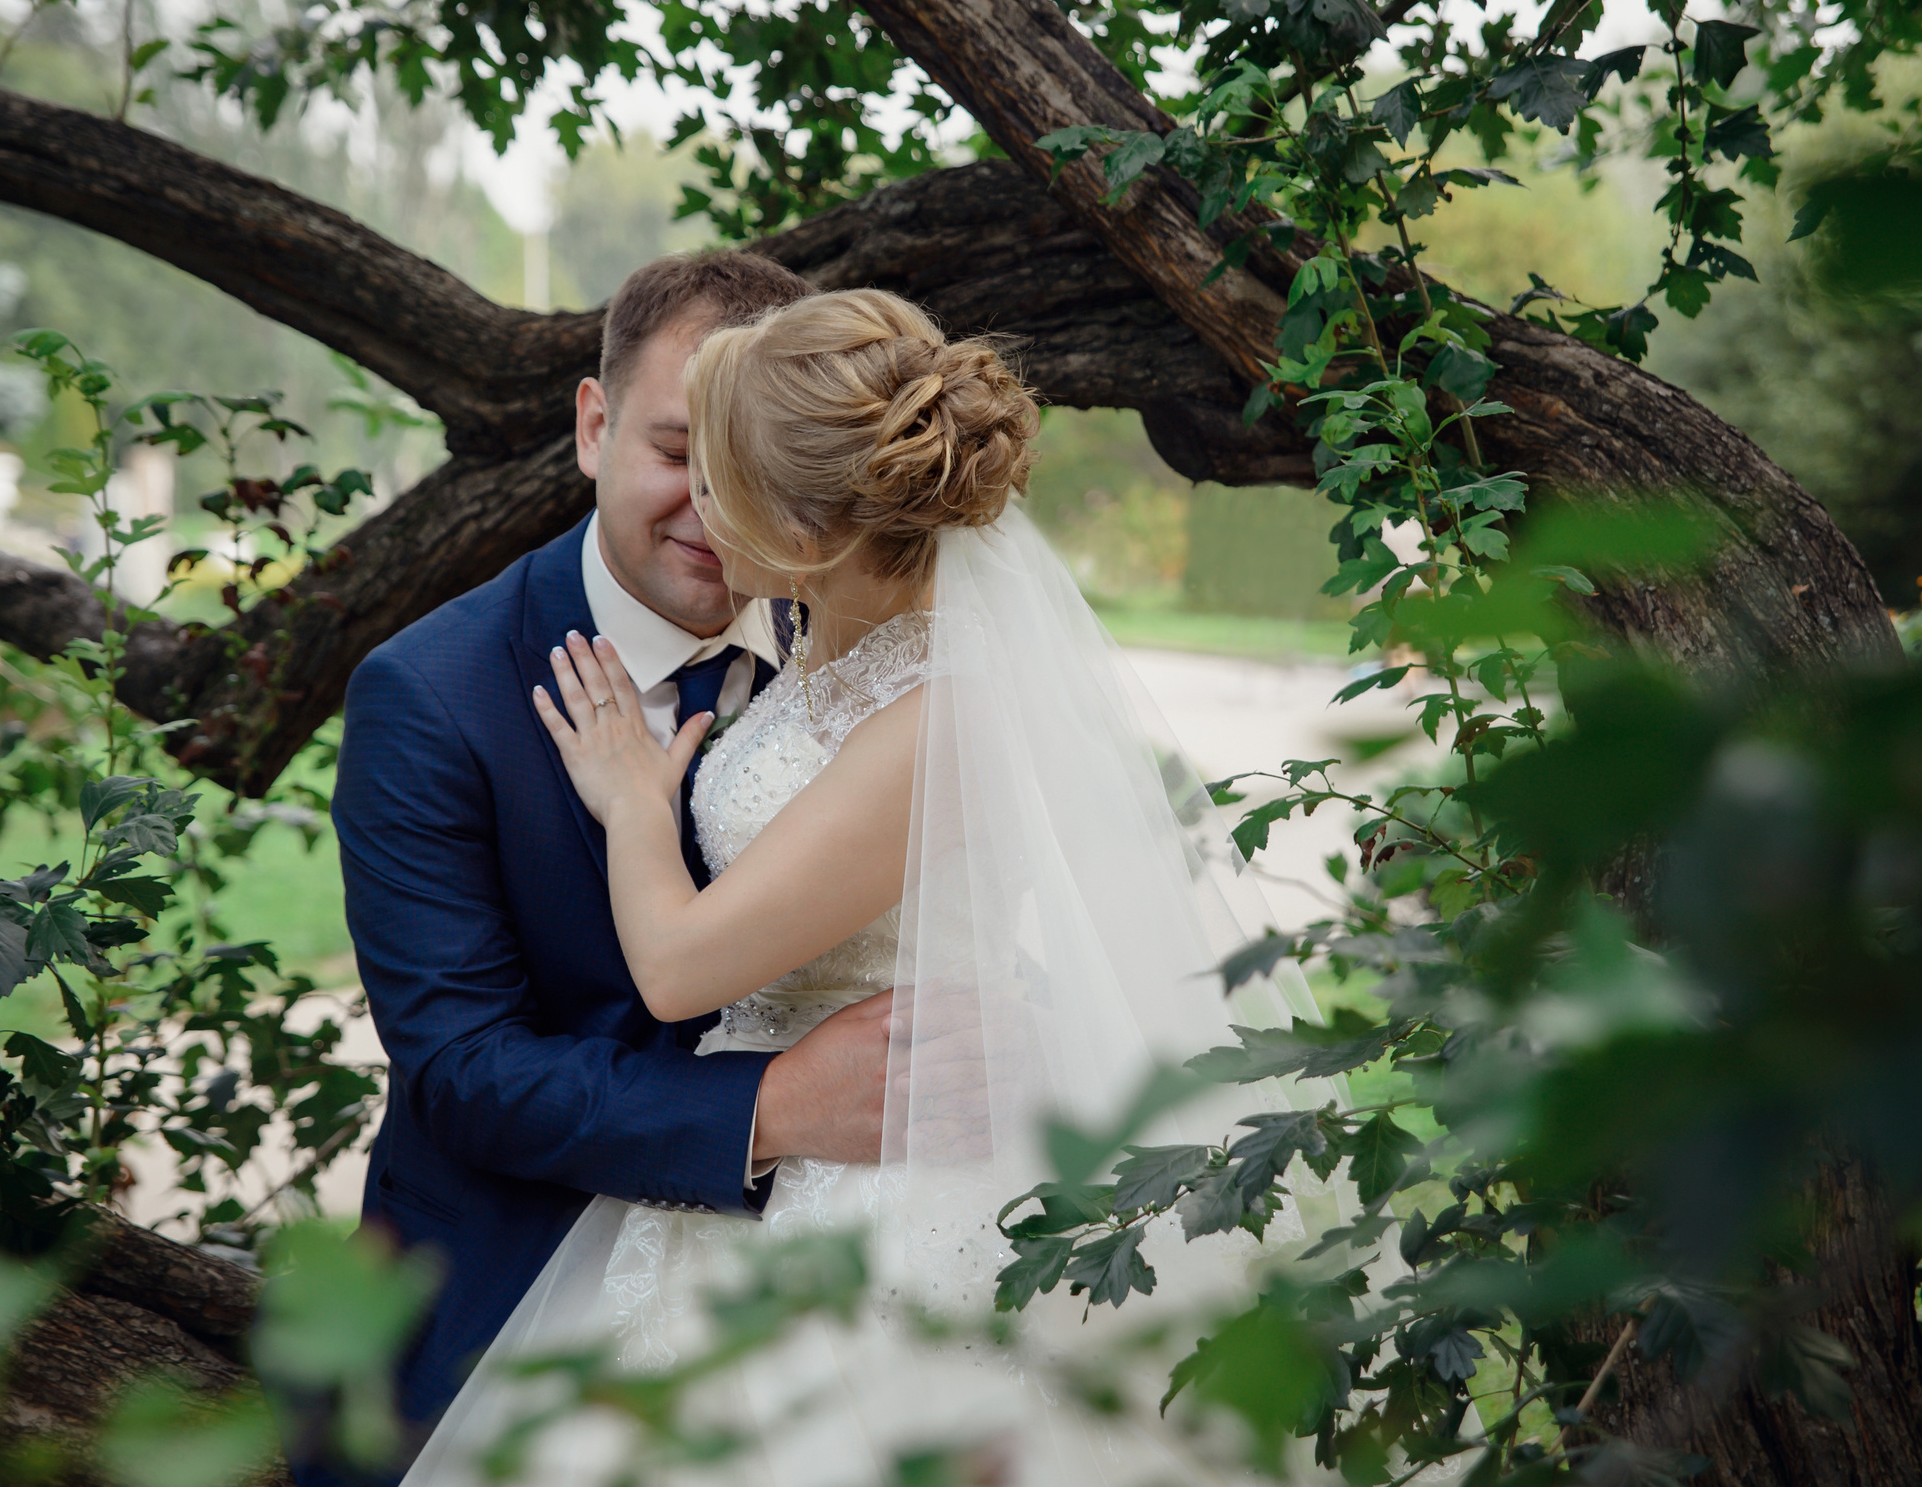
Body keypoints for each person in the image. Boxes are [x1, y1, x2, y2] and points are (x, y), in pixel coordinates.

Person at [401, 290, 1338, 1487]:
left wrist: (639, 806)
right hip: (767, 1162)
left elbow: (682, 967)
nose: (700, 507)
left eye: (720, 475)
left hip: (883, 1191)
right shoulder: (823, 646)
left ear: (805, 523)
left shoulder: (935, 710)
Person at [318, 253, 898, 1487]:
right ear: (592, 427)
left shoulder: (865, 648)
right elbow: (465, 1071)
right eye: (680, 451)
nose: (717, 505)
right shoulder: (434, 696)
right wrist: (774, 1109)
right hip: (515, 1290)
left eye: (756, 465)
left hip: (843, 1273)